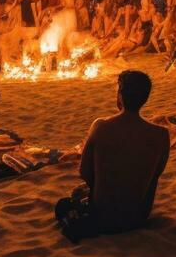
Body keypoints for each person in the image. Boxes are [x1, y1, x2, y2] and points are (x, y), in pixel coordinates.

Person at [56, 70, 169, 240]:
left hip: (104, 216)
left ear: (120, 95)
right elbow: (156, 174)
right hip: (138, 216)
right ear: (145, 98)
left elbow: (84, 172)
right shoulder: (161, 134)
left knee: (64, 205)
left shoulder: (101, 127)